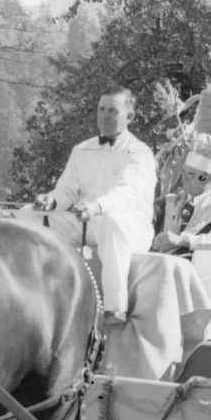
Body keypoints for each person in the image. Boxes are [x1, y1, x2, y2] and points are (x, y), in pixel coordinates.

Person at [34, 85, 156, 325]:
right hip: (87, 222)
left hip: (128, 227)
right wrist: (51, 200)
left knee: (111, 222)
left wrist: (97, 206)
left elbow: (127, 193)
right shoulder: (82, 149)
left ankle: (115, 308)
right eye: (101, 109)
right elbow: (67, 189)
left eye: (113, 110)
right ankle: (33, 290)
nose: (104, 116)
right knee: (30, 216)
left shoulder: (140, 152)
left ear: (129, 117)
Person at [152, 132, 211, 256]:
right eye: (184, 172)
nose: (184, 178)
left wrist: (184, 240)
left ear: (207, 178)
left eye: (192, 174)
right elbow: (145, 215)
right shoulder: (170, 201)